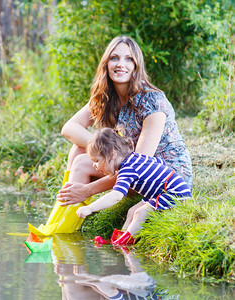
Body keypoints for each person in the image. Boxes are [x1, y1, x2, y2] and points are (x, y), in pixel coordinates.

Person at [56, 36, 193, 231]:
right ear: (106, 64)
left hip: (164, 178)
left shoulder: (152, 101)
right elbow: (69, 127)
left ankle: (64, 224)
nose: (121, 64)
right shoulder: (107, 96)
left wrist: (88, 190)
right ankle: (67, 222)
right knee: (79, 151)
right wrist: (100, 150)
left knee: (81, 160)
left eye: (129, 59)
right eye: (114, 58)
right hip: (134, 173)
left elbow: (139, 164)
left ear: (137, 66)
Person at [75, 127, 192, 244]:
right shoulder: (134, 158)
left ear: (112, 154)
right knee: (132, 211)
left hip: (174, 193)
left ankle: (124, 243)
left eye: (96, 160)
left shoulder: (127, 170)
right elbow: (159, 162)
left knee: (139, 213)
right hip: (163, 191)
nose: (94, 166)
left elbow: (116, 196)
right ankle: (119, 237)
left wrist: (90, 208)